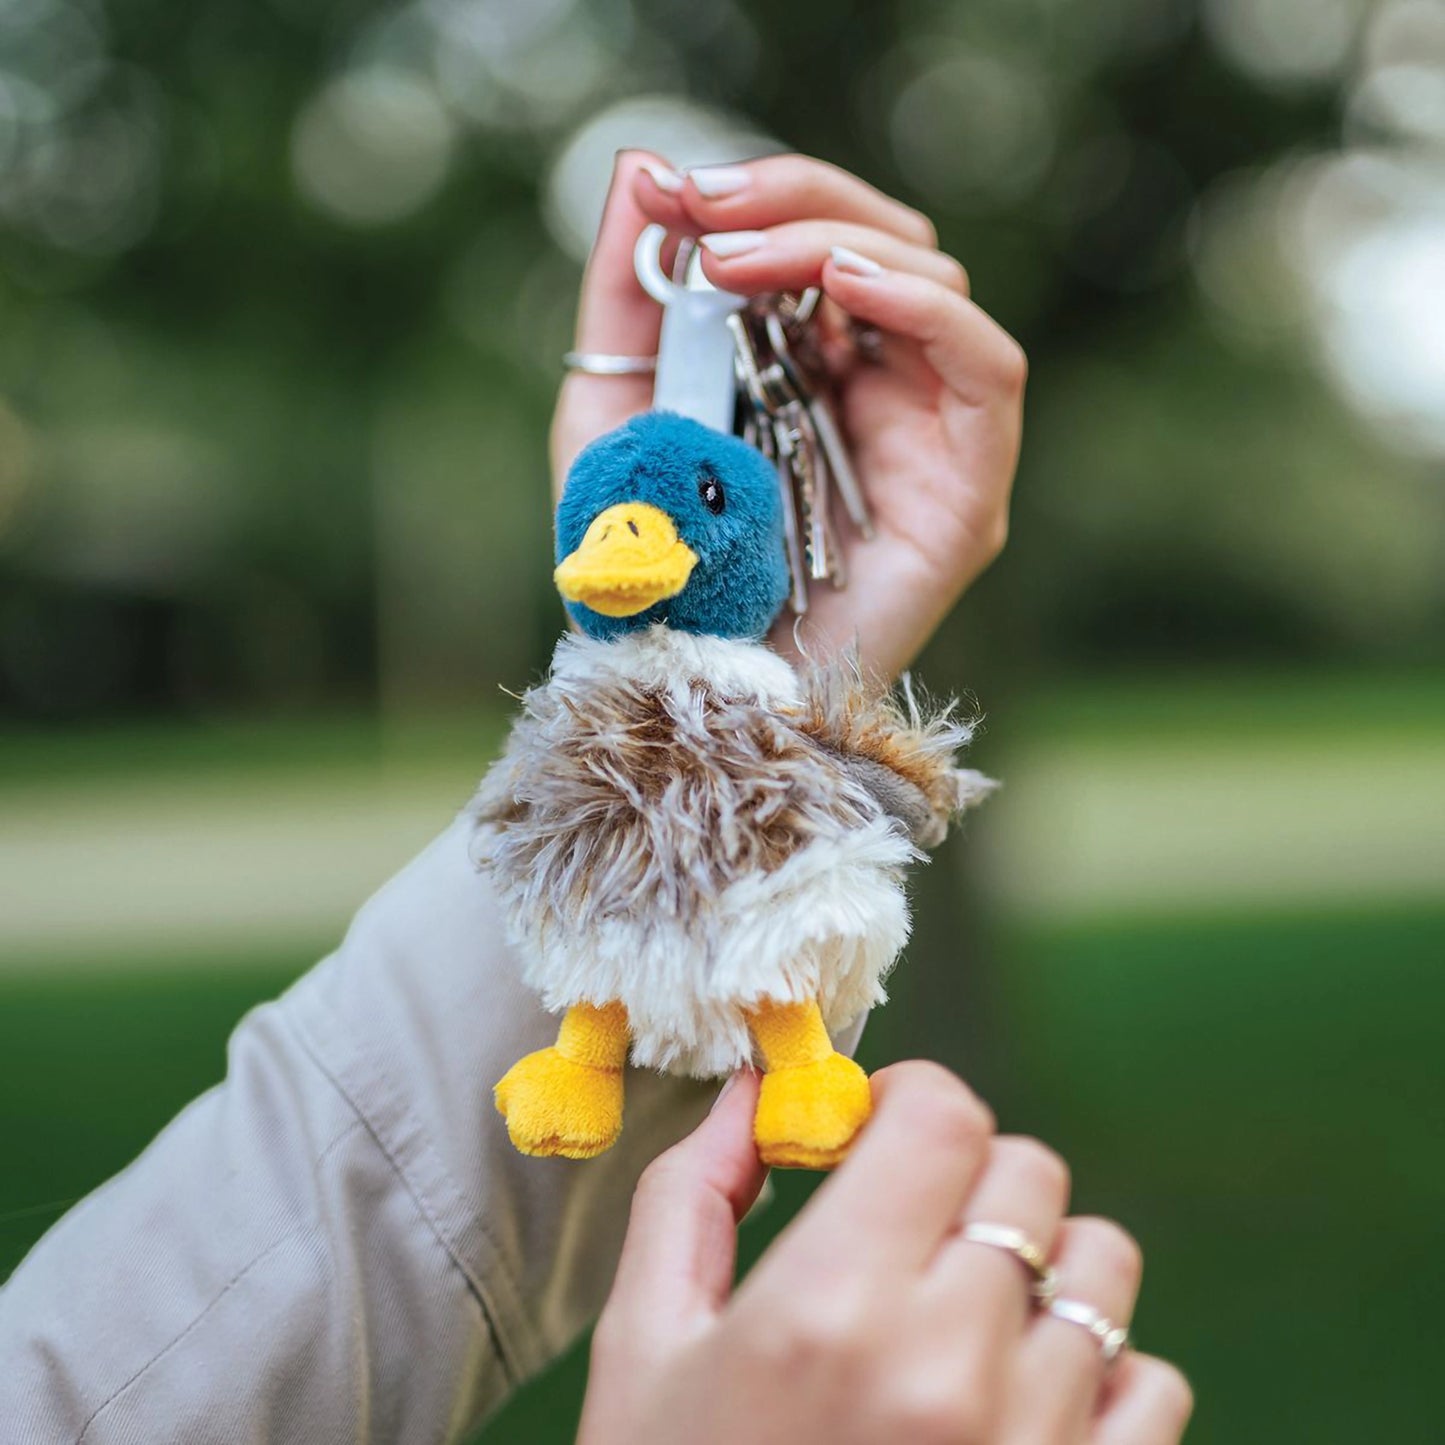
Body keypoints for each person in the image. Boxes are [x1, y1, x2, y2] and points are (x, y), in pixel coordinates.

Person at [0, 152, 1191, 1444]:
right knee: (597, 949)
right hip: (610, 922)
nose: (621, 547)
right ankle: (585, 1049)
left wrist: (824, 686)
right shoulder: (588, 685)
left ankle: (786, 1063)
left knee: (774, 939)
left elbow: (123, 1369)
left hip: (743, 861)